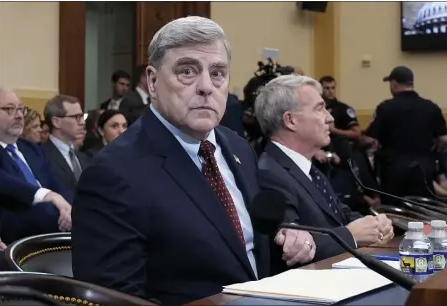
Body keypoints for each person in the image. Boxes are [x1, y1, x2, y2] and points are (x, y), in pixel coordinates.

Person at [71, 17, 314, 305]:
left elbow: (245, 248)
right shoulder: (114, 173)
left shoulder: (237, 146)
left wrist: (289, 236)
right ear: (152, 81)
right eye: (187, 71)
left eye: (218, 73)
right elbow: (113, 299)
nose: (206, 87)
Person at [254, 75, 394, 274]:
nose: (330, 118)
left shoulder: (308, 168)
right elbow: (291, 249)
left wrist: (375, 223)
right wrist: (351, 235)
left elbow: (339, 213)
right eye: (319, 109)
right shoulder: (270, 173)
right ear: (290, 120)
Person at [0, 88, 72, 244]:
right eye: (9, 109)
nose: (19, 115)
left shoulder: (31, 148)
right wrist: (45, 195)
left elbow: (55, 184)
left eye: (20, 109)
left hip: (50, 220)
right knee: (47, 211)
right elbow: (4, 182)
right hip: (17, 222)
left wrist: (70, 206)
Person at [364, 66, 447, 198]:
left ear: (394, 84)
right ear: (411, 83)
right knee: (424, 212)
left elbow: (369, 139)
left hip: (394, 170)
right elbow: (445, 139)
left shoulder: (386, 107)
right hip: (424, 169)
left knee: (395, 214)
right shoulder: (431, 107)